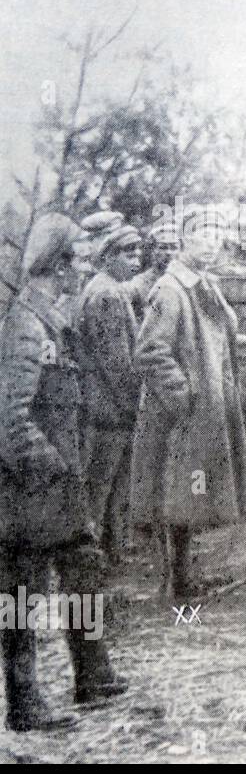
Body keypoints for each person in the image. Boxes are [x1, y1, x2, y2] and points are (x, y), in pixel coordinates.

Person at [1, 214, 127, 732]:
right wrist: (51, 468)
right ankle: (25, 703)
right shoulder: (25, 324)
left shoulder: (52, 315)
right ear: (57, 262)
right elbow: (8, 416)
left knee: (84, 570)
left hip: (58, 483)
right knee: (21, 593)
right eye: (78, 255)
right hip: (30, 487)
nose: (85, 265)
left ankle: (91, 676)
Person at [130, 217, 246, 599]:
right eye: (203, 235)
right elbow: (151, 352)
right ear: (184, 240)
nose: (212, 243)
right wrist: (184, 397)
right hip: (181, 418)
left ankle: (184, 574)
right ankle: (177, 580)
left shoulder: (205, 285)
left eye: (218, 236)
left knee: (192, 491)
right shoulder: (170, 290)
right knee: (178, 493)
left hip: (206, 414)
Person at [76, 224, 146, 565]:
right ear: (107, 256)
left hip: (108, 406)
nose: (135, 259)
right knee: (102, 487)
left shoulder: (108, 289)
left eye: (137, 252)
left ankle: (109, 552)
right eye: (127, 253)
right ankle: (94, 558)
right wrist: (135, 404)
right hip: (108, 409)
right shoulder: (106, 294)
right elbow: (115, 361)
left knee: (110, 486)